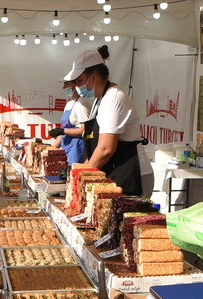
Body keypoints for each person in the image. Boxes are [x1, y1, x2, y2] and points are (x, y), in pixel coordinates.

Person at [63, 46, 144, 195]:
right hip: (115, 169)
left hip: (130, 172)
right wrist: (79, 170)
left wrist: (79, 180)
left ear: (94, 77)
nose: (76, 86)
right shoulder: (100, 100)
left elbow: (105, 149)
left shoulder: (113, 99)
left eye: (79, 81)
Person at [47, 79, 91, 164]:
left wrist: (63, 131)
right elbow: (63, 133)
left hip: (77, 149)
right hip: (66, 148)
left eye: (66, 84)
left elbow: (85, 130)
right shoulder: (69, 104)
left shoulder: (81, 103)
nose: (64, 87)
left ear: (75, 85)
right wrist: (52, 150)